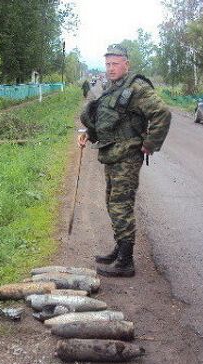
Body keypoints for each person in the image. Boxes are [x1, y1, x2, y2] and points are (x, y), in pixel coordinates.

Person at [78, 44, 171, 277]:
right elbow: (109, 122)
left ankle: (126, 262)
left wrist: (150, 144)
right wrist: (88, 135)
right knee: (112, 204)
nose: (110, 68)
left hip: (127, 157)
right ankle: (120, 249)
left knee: (121, 206)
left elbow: (162, 114)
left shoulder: (137, 88)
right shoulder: (113, 88)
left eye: (115, 64)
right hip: (112, 155)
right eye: (107, 64)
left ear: (126, 64)